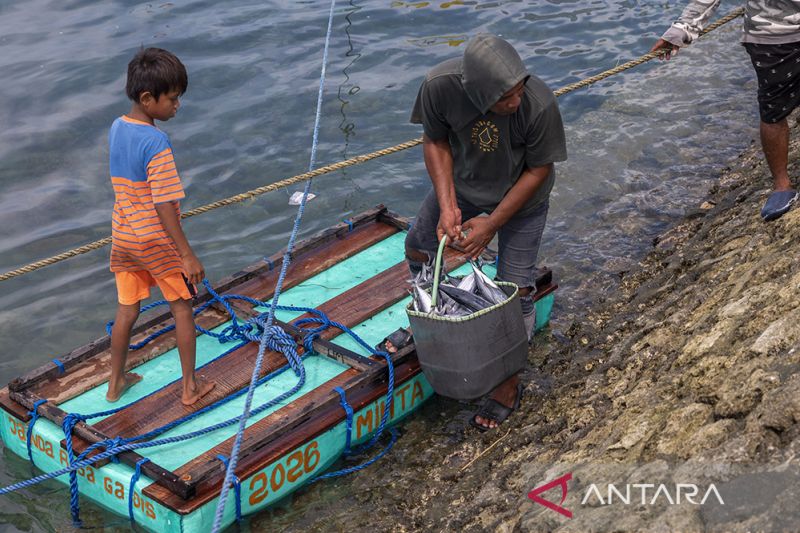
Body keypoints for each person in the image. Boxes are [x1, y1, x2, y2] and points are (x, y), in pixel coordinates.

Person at [405, 34, 567, 430]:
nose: (514, 102)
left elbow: (539, 170)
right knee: (419, 248)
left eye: (518, 91)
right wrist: (448, 206)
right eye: (504, 98)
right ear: (477, 93)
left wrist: (492, 225)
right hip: (464, 184)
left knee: (516, 288)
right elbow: (435, 141)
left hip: (522, 200)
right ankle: (434, 320)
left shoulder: (538, 105)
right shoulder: (439, 87)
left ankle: (507, 387)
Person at [106, 47, 215, 405]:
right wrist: (187, 255)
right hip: (154, 240)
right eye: (172, 99)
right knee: (182, 306)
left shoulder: (117, 127)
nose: (177, 106)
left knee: (127, 310)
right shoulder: (156, 142)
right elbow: (164, 203)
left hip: (123, 235)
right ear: (147, 98)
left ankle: (115, 382)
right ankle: (190, 388)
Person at [651, 1, 800, 221]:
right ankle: (781, 186)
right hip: (772, 35)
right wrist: (683, 28)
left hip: (770, 32)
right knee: (773, 110)